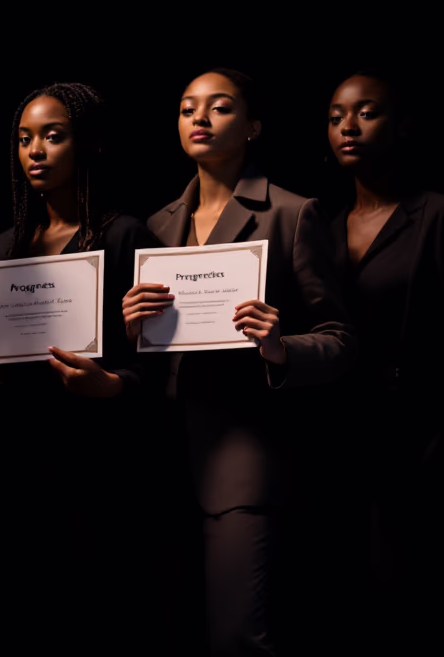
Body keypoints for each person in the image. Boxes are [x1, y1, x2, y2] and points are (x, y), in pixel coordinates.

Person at [122, 69, 356, 656]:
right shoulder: (154, 226)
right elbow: (152, 360)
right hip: (163, 457)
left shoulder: (293, 213)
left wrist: (281, 348)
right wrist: (130, 332)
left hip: (247, 458)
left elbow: (341, 339)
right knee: (169, 630)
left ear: (252, 126)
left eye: (219, 107)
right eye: (186, 108)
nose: (198, 118)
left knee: (237, 638)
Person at [0, 83, 167, 654]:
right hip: (13, 456)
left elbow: (159, 369)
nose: (35, 150)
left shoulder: (124, 235)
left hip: (94, 462)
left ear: (86, 144)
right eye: (24, 139)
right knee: (17, 610)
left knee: (90, 612)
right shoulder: (4, 245)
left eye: (52, 136)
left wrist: (111, 385)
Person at [322, 71, 443, 654]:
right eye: (336, 116)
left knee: (402, 597)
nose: (348, 126)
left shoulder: (436, 215)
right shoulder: (317, 227)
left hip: (415, 442)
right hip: (330, 442)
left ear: (402, 126)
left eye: (367, 113)